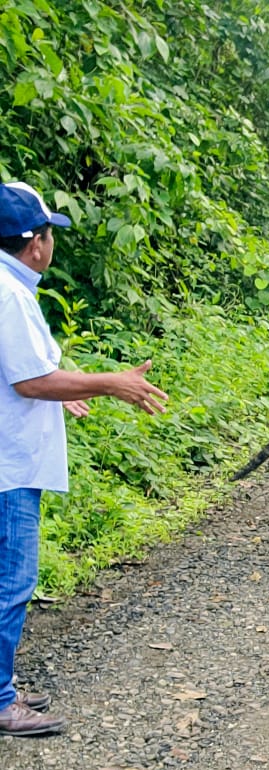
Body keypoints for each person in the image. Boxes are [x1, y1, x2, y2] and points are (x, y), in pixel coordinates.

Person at [0, 181, 168, 738]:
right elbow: (29, 381)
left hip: (11, 458)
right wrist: (109, 382)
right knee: (12, 582)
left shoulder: (9, 287)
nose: (52, 245)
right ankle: (0, 700)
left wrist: (66, 387)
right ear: (36, 243)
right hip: (9, 466)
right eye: (50, 235)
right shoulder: (10, 294)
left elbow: (28, 371)